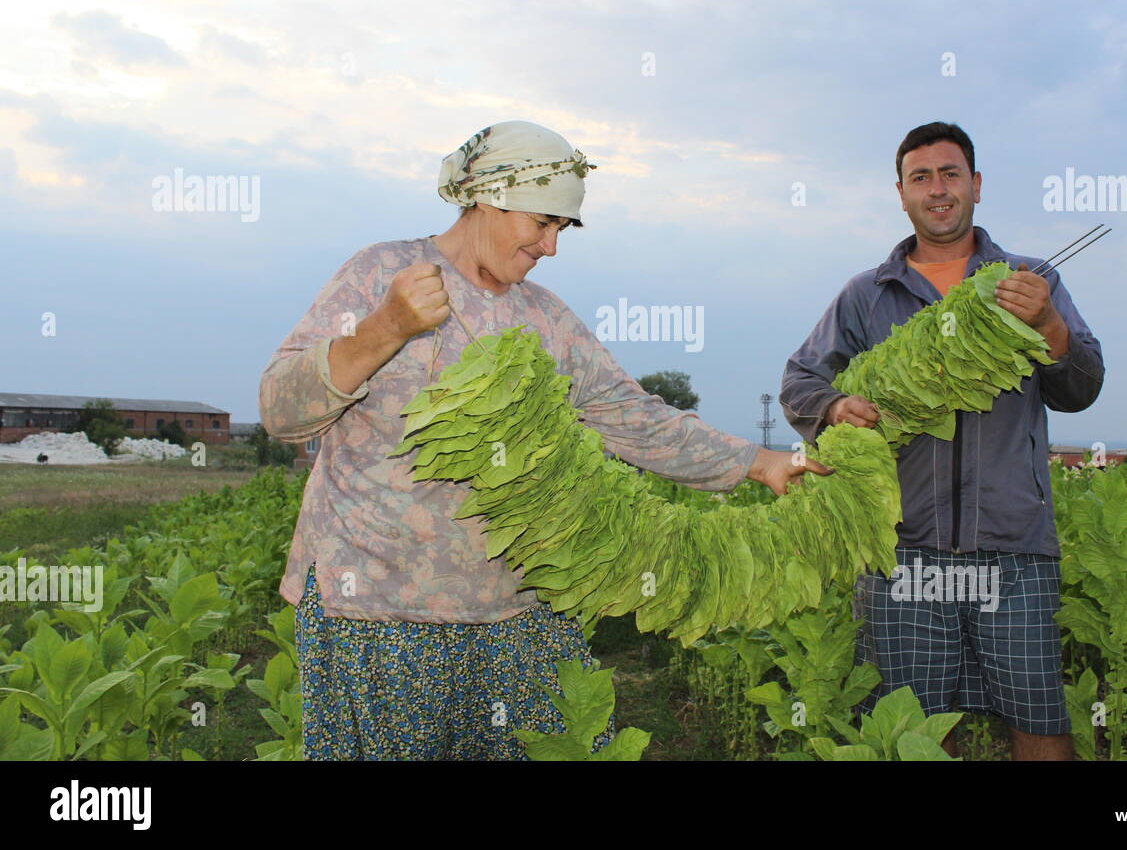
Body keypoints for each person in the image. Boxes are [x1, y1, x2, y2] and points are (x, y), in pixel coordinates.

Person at [259, 120, 825, 760]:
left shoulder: (545, 319)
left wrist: (757, 461)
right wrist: (383, 329)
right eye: (541, 223)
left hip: (515, 611)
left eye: (563, 229)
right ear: (488, 197)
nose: (551, 246)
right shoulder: (382, 274)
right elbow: (281, 410)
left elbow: (628, 413)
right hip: (377, 609)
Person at [779, 121, 1104, 761]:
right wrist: (837, 405)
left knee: (1038, 720)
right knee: (914, 732)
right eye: (920, 178)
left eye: (950, 174)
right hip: (902, 551)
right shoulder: (867, 295)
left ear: (976, 185)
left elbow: (1082, 386)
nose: (937, 189)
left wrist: (1048, 324)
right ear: (900, 194)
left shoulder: (1031, 279)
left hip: (1013, 549)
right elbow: (800, 381)